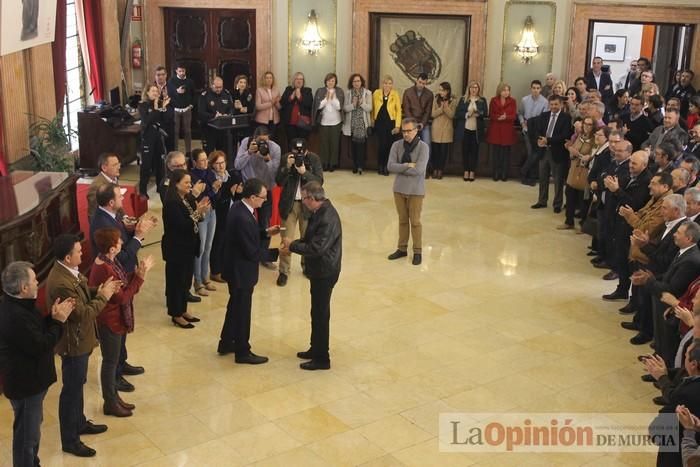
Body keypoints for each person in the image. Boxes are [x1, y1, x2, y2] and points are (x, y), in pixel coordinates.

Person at [46, 234, 118, 458]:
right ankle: (70, 440)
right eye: (78, 251)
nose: (82, 253)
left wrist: (98, 290)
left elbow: (84, 295)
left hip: (81, 341)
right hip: (73, 343)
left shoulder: (68, 273)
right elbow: (84, 315)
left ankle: (79, 423)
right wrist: (104, 296)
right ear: (68, 257)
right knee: (71, 391)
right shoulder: (60, 283)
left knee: (78, 385)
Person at [0, 262, 74, 467]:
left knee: (31, 430)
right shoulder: (15, 316)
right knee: (27, 436)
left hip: (32, 381)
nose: (37, 283)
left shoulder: (19, 306)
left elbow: (37, 331)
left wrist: (52, 317)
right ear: (24, 288)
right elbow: (40, 344)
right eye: (34, 280)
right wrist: (58, 322)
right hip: (26, 385)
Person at [90, 183, 155, 390]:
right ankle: (115, 376)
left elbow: (121, 239)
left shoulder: (112, 216)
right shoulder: (102, 223)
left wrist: (131, 228)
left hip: (123, 273)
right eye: (119, 196)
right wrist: (138, 236)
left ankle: (122, 361)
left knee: (123, 324)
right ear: (110, 202)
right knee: (117, 324)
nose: (122, 199)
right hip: (118, 275)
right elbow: (123, 254)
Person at [89, 228, 153, 418]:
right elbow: (122, 297)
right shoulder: (105, 269)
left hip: (114, 318)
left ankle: (114, 398)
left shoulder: (108, 261)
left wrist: (135, 275)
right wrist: (140, 277)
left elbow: (123, 286)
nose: (122, 244)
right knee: (110, 362)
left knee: (113, 360)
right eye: (118, 242)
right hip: (110, 321)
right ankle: (110, 402)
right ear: (111, 249)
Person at [280, 181, 342, 370]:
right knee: (316, 312)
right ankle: (316, 348)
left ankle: (322, 358)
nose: (303, 201)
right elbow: (309, 239)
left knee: (321, 314)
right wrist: (294, 243)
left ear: (313, 198)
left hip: (325, 271)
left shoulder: (327, 217)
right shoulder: (318, 212)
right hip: (319, 270)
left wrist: (292, 245)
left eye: (305, 197)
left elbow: (317, 247)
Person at [218, 178, 280, 363]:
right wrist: (277, 253)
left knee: (235, 307)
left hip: (235, 268)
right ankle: (243, 351)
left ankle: (226, 342)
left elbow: (248, 237)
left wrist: (266, 233)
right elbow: (252, 252)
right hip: (241, 272)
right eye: (262, 198)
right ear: (252, 197)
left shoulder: (239, 207)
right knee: (243, 311)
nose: (264, 201)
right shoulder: (243, 217)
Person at [161, 169, 209, 328]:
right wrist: (197, 213)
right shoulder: (171, 202)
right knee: (176, 282)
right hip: (177, 249)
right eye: (186, 183)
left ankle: (183, 310)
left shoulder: (187, 197)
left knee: (186, 280)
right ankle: (176, 314)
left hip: (189, 246)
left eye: (190, 182)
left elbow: (195, 219)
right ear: (176, 184)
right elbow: (181, 225)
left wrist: (201, 212)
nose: (190, 185)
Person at [276, 138, 323, 287]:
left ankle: (307, 267)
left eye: (301, 153)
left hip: (308, 205)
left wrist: (305, 173)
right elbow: (278, 181)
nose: (298, 156)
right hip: (289, 204)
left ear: (306, 151)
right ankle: (283, 272)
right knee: (286, 239)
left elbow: (319, 181)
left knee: (307, 239)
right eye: (296, 153)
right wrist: (286, 168)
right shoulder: (286, 158)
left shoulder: (314, 159)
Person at [235, 126, 282, 268]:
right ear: (254, 138)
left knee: (265, 223)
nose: (262, 144)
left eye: (265, 141)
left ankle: (263, 255)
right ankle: (243, 252)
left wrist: (267, 158)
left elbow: (275, 174)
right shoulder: (246, 142)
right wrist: (249, 152)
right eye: (259, 141)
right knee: (243, 222)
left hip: (265, 189)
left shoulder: (275, 148)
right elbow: (237, 165)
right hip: (248, 189)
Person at [387, 118, 429, 266]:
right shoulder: (396, 145)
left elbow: (419, 170)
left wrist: (401, 167)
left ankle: (417, 251)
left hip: (416, 190)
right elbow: (390, 166)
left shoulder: (423, 147)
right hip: (399, 189)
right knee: (402, 220)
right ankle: (402, 248)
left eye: (409, 131)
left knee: (415, 222)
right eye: (404, 131)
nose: (406, 134)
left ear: (416, 130)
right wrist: (407, 165)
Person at [532, 95, 573, 212]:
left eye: (556, 104)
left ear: (561, 105)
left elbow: (565, 135)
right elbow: (538, 130)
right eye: (552, 104)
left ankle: (557, 204)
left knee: (558, 180)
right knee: (543, 177)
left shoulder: (566, 118)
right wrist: (539, 140)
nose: (553, 107)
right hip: (543, 151)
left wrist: (548, 140)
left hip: (558, 152)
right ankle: (542, 201)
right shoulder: (544, 116)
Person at [209, 150, 244, 284]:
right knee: (218, 242)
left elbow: (237, 197)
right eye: (217, 164)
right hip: (217, 214)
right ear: (212, 165)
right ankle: (215, 271)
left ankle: (225, 267)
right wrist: (228, 192)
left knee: (227, 242)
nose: (221, 166)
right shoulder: (211, 178)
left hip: (231, 214)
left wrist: (238, 192)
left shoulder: (232, 176)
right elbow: (215, 200)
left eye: (222, 162)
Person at [190, 148, 220, 296]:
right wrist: (210, 190)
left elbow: (212, 191)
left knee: (208, 246)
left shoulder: (209, 172)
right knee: (199, 248)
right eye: (201, 160)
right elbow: (195, 196)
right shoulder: (192, 175)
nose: (205, 163)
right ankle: (197, 280)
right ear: (194, 162)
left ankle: (205, 277)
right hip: (201, 214)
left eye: (206, 160)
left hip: (211, 211)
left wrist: (213, 190)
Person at [559, 117, 596, 229]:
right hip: (574, 169)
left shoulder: (594, 140)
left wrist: (578, 154)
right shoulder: (580, 136)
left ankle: (583, 224)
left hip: (584, 172)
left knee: (583, 199)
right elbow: (573, 149)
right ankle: (568, 221)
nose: (587, 126)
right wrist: (571, 151)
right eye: (585, 124)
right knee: (569, 195)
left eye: (589, 124)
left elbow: (591, 156)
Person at [138, 84, 169, 198]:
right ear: (147, 93)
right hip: (147, 138)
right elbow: (148, 120)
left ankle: (160, 188)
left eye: (157, 91)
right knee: (146, 166)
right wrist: (156, 108)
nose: (156, 93)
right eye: (153, 91)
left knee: (160, 164)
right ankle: (142, 190)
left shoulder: (159, 104)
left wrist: (164, 108)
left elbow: (165, 120)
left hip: (158, 137)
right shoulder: (143, 105)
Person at [454, 81, 488, 182]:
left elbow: (485, 113)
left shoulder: (482, 100)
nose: (474, 89)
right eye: (472, 87)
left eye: (476, 87)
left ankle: (472, 171)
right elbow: (458, 113)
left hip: (476, 130)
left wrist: (478, 113)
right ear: (469, 89)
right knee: (465, 151)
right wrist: (467, 114)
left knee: (474, 151)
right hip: (465, 129)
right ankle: (466, 171)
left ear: (478, 89)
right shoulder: (463, 99)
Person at [485, 83, 517, 181]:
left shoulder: (512, 101)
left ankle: (504, 174)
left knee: (505, 154)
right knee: (496, 154)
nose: (506, 92)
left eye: (508, 90)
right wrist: (499, 117)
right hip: (496, 129)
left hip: (507, 130)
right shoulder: (494, 100)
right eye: (504, 90)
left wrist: (506, 117)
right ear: (500, 91)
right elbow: (491, 114)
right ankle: (495, 173)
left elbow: (513, 116)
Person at [313, 73, 344, 171]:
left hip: (336, 121)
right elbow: (318, 106)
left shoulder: (339, 91)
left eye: (333, 81)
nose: (331, 82)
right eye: (329, 80)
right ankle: (324, 163)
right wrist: (326, 99)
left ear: (335, 82)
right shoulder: (320, 91)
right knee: (324, 144)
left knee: (334, 143)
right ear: (326, 81)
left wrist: (332, 99)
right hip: (324, 122)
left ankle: (332, 164)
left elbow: (339, 107)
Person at [342, 73, 373, 175]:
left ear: (361, 82)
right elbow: (345, 108)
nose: (356, 83)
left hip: (362, 123)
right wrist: (353, 105)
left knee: (361, 145)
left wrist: (361, 103)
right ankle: (355, 165)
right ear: (352, 83)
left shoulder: (367, 93)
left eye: (358, 81)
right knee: (354, 145)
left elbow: (369, 108)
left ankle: (360, 166)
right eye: (354, 81)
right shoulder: (348, 93)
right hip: (351, 123)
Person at [372, 75, 402, 176]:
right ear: (382, 84)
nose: (387, 85)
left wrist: (397, 126)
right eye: (385, 83)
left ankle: (386, 166)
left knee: (389, 145)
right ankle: (380, 165)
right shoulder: (376, 93)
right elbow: (373, 108)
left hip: (390, 123)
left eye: (389, 83)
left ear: (392, 84)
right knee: (381, 145)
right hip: (379, 123)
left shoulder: (395, 94)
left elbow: (398, 111)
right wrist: (372, 121)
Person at [402, 73, 434, 164]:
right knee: (409, 144)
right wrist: (413, 124)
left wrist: (422, 124)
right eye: (420, 82)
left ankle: (425, 168)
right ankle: (409, 166)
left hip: (424, 123)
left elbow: (428, 112)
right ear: (416, 80)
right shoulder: (408, 92)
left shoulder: (429, 94)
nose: (421, 85)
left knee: (427, 144)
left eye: (424, 83)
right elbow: (406, 109)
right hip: (411, 123)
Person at [198, 76, 233, 155]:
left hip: (223, 130)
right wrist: (214, 116)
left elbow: (231, 108)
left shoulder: (226, 94)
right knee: (208, 153)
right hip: (209, 129)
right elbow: (201, 113)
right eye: (216, 87)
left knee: (222, 153)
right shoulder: (205, 95)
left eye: (220, 87)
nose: (219, 89)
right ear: (212, 85)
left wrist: (227, 115)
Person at [429, 81, 456, 180]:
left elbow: (452, 115)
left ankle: (440, 170)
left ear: (447, 91)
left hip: (447, 129)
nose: (440, 92)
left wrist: (446, 108)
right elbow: (432, 114)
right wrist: (441, 109)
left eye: (442, 90)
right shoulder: (436, 99)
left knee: (443, 152)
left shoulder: (453, 100)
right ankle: (435, 169)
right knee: (435, 151)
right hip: (436, 128)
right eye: (439, 90)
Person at [167, 63, 196, 155]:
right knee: (175, 131)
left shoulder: (190, 81)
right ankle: (175, 150)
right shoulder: (171, 81)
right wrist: (177, 91)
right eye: (180, 71)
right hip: (175, 109)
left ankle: (188, 151)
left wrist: (192, 104)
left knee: (187, 131)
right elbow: (169, 94)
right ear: (176, 71)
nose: (182, 73)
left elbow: (194, 94)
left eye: (183, 71)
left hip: (187, 109)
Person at [281, 72, 314, 149]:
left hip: (303, 124)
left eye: (301, 79)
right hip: (290, 123)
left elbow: (309, 104)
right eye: (297, 79)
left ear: (303, 81)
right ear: (294, 80)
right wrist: (291, 97)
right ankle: (291, 160)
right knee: (291, 143)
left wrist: (300, 97)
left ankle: (302, 160)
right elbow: (282, 103)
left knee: (302, 144)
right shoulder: (288, 89)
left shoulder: (307, 90)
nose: (299, 81)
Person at [87, 152, 121, 220]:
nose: (119, 167)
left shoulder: (114, 178)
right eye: (114, 165)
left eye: (118, 164)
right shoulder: (96, 187)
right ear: (104, 168)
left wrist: (125, 218)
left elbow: (117, 202)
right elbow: (94, 213)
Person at [153, 66, 176, 152]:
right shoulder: (152, 88)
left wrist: (166, 97)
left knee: (170, 148)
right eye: (158, 75)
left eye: (162, 74)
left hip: (168, 123)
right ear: (155, 76)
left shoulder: (172, 88)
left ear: (166, 75)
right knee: (157, 149)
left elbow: (176, 104)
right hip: (156, 123)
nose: (160, 77)